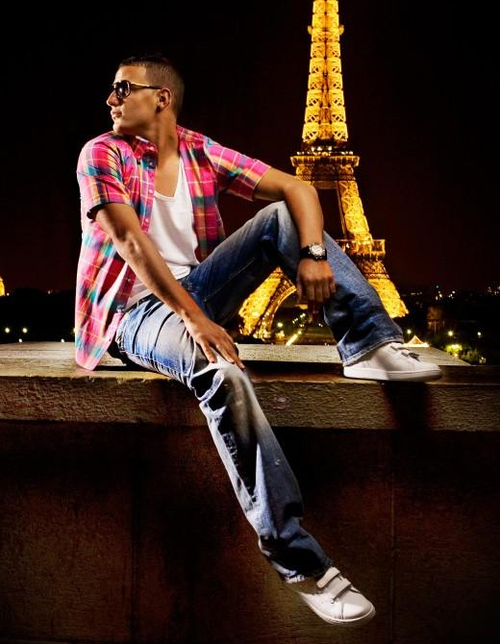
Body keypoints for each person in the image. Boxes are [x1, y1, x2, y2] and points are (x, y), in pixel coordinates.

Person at [75, 53, 441, 627]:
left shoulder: (198, 150)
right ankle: (297, 560)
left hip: (197, 289)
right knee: (221, 373)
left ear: (160, 98)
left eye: (122, 88)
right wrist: (195, 319)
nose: (110, 99)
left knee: (283, 218)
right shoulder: (102, 152)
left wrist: (314, 254)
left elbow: (298, 185)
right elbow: (129, 243)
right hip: (134, 311)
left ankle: (368, 344)